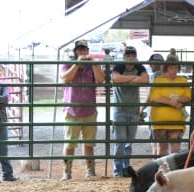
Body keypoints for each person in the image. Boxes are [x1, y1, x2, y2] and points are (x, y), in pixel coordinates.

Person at [60, 39, 105, 180]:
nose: (82, 52)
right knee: (69, 143)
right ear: (75, 51)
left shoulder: (92, 65)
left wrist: (94, 64)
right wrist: (77, 63)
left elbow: (101, 79)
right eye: (79, 49)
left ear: (88, 50)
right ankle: (67, 171)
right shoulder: (68, 63)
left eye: (84, 49)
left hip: (89, 110)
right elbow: (65, 78)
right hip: (72, 110)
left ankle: (90, 170)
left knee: (89, 143)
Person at [111, 46, 149, 176]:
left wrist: (125, 79)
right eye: (128, 56)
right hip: (120, 109)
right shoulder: (119, 66)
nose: (130, 58)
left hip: (133, 110)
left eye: (132, 56)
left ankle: (125, 169)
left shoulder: (140, 67)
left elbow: (146, 79)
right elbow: (115, 78)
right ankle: (117, 170)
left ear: (135, 57)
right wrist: (134, 78)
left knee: (128, 142)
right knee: (120, 141)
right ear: (124, 57)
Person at [149, 54, 191, 155]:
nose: (174, 70)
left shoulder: (183, 81)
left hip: (177, 123)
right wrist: (171, 102)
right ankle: (162, 170)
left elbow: (188, 97)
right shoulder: (158, 81)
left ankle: (173, 170)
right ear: (166, 68)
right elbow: (154, 97)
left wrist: (176, 99)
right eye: (171, 67)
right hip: (160, 123)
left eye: (176, 67)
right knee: (161, 149)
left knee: (175, 150)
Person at [140, 53, 165, 156]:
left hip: (155, 112)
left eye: (152, 63)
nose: (150, 66)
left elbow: (150, 95)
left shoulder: (156, 76)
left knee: (155, 142)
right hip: (165, 112)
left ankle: (156, 164)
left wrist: (142, 108)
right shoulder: (167, 75)